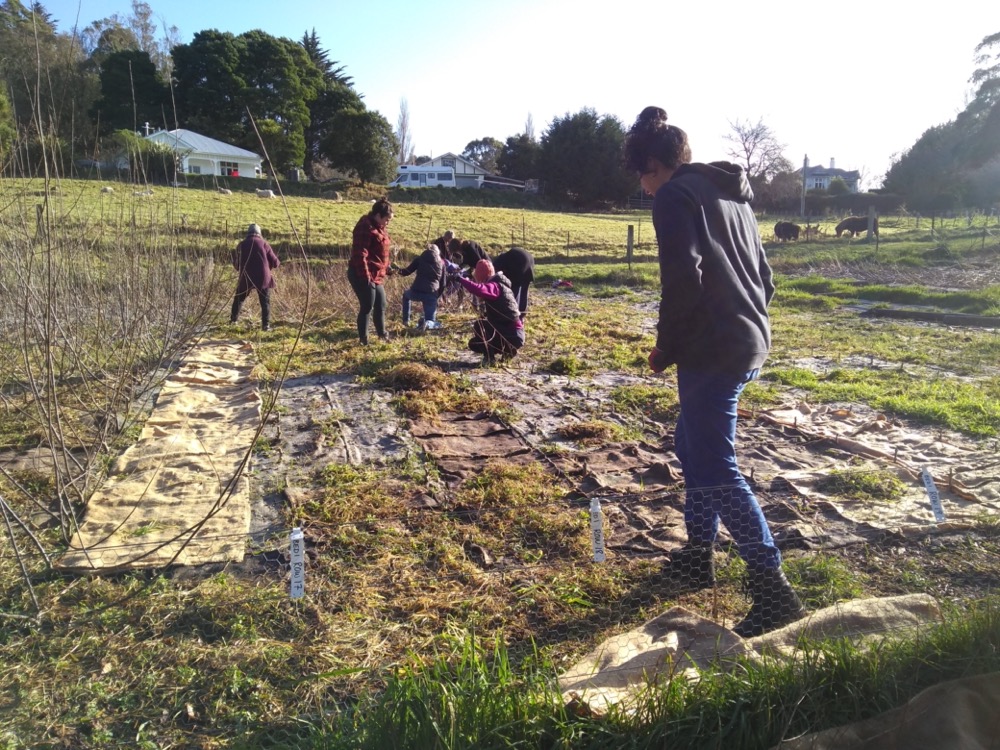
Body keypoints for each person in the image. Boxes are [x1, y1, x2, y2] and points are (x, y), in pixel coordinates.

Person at [623, 105, 805, 638]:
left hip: (713, 348)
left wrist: (666, 347)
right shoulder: (731, 194)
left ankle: (774, 590)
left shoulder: (677, 197)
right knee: (691, 447)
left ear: (656, 163)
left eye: (642, 173)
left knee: (715, 463)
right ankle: (698, 554)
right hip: (748, 340)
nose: (643, 185)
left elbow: (682, 280)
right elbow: (764, 277)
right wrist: (747, 320)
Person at [453, 258, 524, 365]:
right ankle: (508, 351)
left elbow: (479, 289)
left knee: (480, 325)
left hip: (512, 335)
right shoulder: (501, 285)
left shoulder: (495, 286)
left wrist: (461, 279)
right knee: (474, 343)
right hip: (515, 334)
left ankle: (490, 359)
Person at [348, 197, 394, 344]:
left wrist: (387, 267)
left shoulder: (380, 228)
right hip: (363, 274)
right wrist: (365, 276)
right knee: (367, 305)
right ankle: (364, 339)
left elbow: (380, 252)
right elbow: (360, 254)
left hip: (377, 274)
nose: (388, 223)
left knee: (381, 304)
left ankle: (382, 335)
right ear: (378, 216)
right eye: (387, 219)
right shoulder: (365, 227)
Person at [230, 223, 280, 331]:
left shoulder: (241, 245)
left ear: (248, 233)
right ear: (259, 233)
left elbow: (236, 265)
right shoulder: (264, 244)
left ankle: (233, 321)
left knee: (239, 299)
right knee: (265, 301)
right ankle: (265, 326)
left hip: (246, 277)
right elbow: (276, 263)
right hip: (263, 278)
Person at [399, 243, 447, 329]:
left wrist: (394, 270)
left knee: (406, 295)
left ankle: (406, 321)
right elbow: (443, 284)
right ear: (438, 252)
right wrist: (437, 296)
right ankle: (427, 323)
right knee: (431, 320)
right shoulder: (442, 264)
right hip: (431, 293)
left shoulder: (419, 259)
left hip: (416, 290)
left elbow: (406, 272)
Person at [492, 246, 535, 320]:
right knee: (524, 289)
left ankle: (514, 316)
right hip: (529, 262)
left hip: (520, 265)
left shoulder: (497, 265)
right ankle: (521, 314)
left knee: (515, 292)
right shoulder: (505, 259)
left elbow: (499, 279)